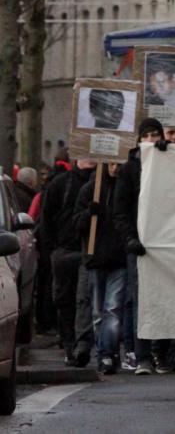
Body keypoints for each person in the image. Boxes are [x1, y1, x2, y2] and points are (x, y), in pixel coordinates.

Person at [114, 118, 171, 375]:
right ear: (139, 140)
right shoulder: (128, 170)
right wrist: (130, 238)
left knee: (166, 299)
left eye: (155, 135)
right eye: (146, 135)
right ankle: (144, 355)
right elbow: (121, 210)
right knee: (141, 302)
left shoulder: (170, 163)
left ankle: (162, 352)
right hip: (139, 246)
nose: (151, 140)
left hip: (166, 243)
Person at [40, 157, 96, 367]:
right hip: (64, 250)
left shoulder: (101, 182)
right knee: (64, 301)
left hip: (88, 252)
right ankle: (69, 343)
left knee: (84, 299)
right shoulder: (60, 183)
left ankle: (81, 345)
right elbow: (46, 218)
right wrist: (51, 250)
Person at [73, 163, 127, 375]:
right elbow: (75, 222)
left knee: (112, 309)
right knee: (97, 312)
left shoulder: (125, 188)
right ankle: (106, 352)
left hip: (119, 258)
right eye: (112, 164)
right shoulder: (89, 190)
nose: (115, 168)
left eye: (119, 164)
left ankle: (107, 353)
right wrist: (89, 214)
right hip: (96, 259)